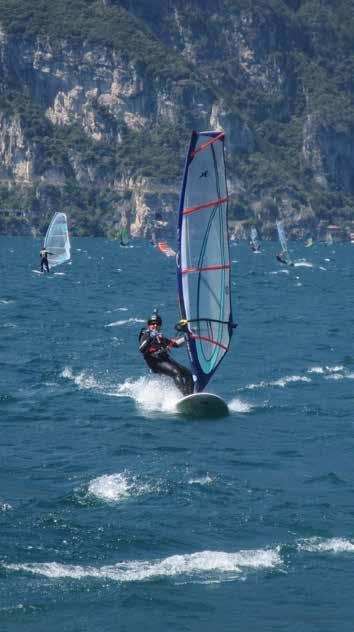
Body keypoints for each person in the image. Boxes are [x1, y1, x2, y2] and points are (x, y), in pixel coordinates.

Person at [139, 312, 194, 396]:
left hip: (165, 360)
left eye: (157, 324)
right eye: (152, 324)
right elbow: (141, 349)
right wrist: (150, 337)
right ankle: (185, 395)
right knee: (176, 372)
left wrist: (188, 335)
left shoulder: (160, 337)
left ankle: (190, 395)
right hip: (155, 362)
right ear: (148, 325)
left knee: (188, 374)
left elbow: (176, 344)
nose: (155, 325)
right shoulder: (145, 335)